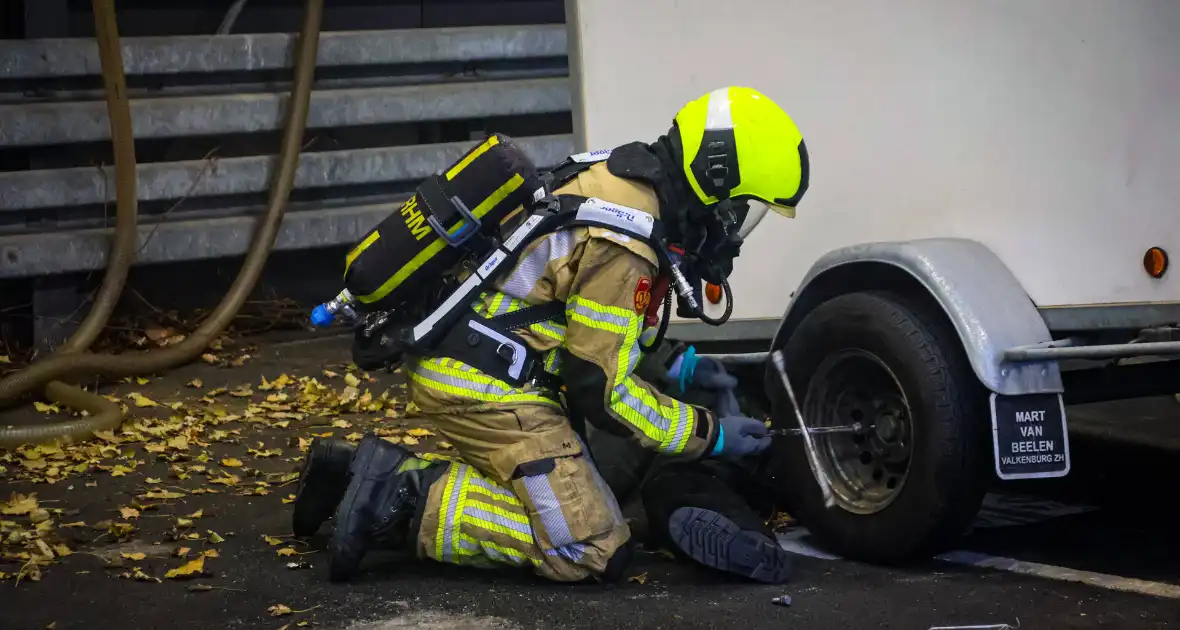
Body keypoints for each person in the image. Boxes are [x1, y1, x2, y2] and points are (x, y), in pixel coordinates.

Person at [291, 86, 810, 584]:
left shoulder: (619, 177)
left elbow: (585, 320)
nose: (733, 230)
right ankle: (400, 494)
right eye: (739, 210)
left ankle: (344, 477)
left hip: (480, 356)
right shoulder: (626, 242)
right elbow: (602, 391)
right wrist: (708, 433)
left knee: (604, 481)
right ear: (716, 180)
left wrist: (678, 365)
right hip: (487, 385)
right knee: (592, 546)